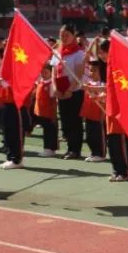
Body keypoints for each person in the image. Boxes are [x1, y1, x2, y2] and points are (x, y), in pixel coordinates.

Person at [54, 25, 86, 160]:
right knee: (65, 122)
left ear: (73, 35)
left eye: (67, 34)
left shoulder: (79, 53)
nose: (64, 37)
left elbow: (79, 74)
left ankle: (75, 150)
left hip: (74, 92)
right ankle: (69, 148)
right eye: (62, 34)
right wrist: (55, 88)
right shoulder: (57, 52)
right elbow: (54, 71)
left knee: (74, 122)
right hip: (61, 92)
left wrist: (70, 89)